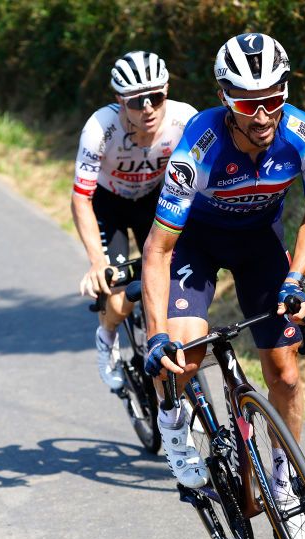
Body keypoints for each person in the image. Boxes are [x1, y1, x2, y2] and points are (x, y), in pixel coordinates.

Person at [142, 34, 305, 539]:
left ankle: (286, 489)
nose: (263, 113)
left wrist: (296, 279)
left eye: (273, 98)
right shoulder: (197, 150)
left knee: (286, 373)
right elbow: (158, 250)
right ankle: (173, 421)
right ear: (227, 97)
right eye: (249, 103)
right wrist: (156, 333)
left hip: (259, 247)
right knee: (184, 353)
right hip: (194, 246)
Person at [73, 51, 197, 389]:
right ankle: (107, 335)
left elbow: (203, 180)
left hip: (153, 201)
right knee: (114, 292)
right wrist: (96, 260)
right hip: (107, 204)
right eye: (136, 101)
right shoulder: (100, 128)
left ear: (167, 91)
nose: (147, 108)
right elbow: (81, 197)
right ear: (119, 101)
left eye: (155, 97)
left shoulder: (185, 119)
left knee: (169, 279)